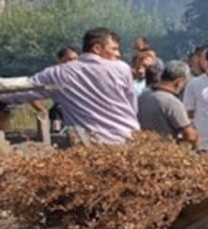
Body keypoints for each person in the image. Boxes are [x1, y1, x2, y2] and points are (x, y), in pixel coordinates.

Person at [0, 28, 138, 144]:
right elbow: (133, 106)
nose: (118, 54)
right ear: (97, 48)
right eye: (114, 49)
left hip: (91, 147)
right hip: (130, 142)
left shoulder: (59, 74)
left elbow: (23, 89)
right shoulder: (122, 69)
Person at [137, 61, 199, 147]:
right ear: (179, 82)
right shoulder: (172, 102)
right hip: (167, 151)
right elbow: (189, 135)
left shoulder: (143, 96)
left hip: (143, 149)